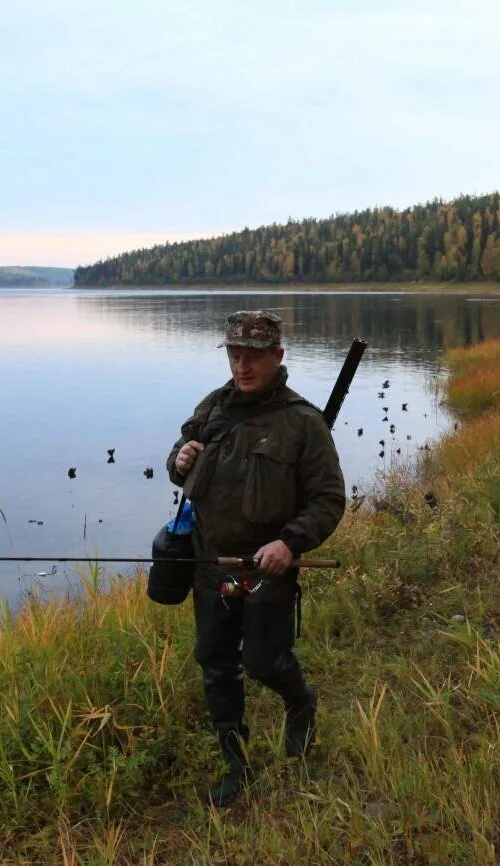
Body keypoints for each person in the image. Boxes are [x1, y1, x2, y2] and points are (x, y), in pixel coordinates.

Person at [166, 310, 346, 807]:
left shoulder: (303, 422)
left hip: (267, 568)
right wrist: (178, 459)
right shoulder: (213, 407)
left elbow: (329, 500)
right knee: (216, 664)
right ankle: (235, 764)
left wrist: (290, 543)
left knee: (264, 662)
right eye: (234, 355)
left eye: (252, 357)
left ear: (278, 357)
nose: (242, 367)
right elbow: (180, 460)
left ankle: (300, 702)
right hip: (209, 564)